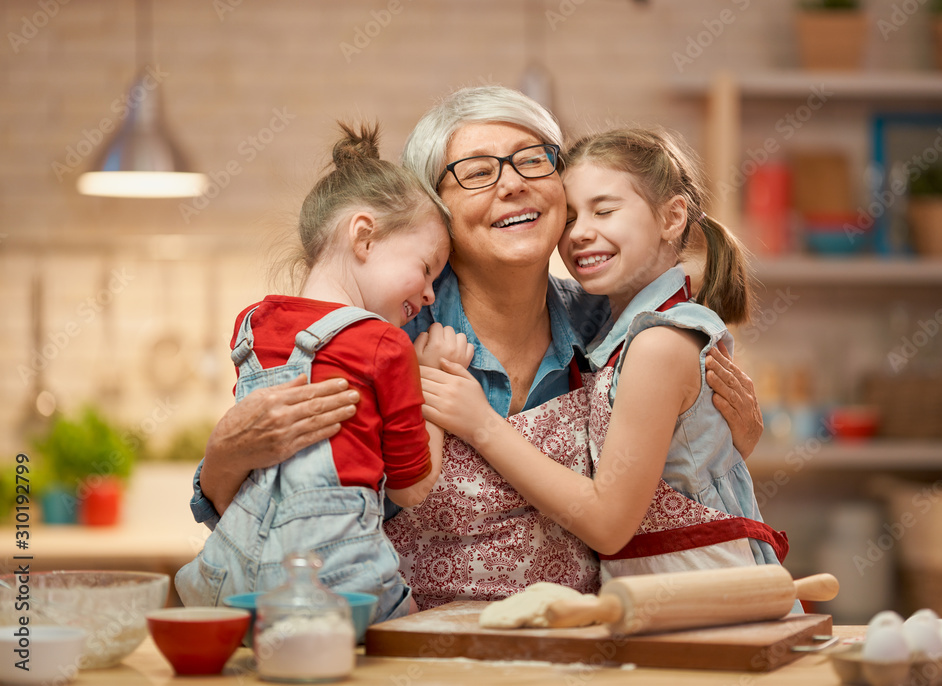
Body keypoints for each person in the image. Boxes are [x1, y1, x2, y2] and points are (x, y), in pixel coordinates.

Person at [190, 86, 766, 610]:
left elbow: (669, 473)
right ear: (436, 211)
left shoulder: (610, 319)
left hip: (575, 646)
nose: (511, 183)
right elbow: (279, 500)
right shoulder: (387, 328)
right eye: (477, 171)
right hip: (412, 649)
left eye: (532, 159)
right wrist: (224, 457)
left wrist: (724, 437)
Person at [420, 127, 788, 581]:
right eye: (570, 218)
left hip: (704, 589)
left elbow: (609, 525)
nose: (580, 234)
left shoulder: (657, 343)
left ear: (672, 219)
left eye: (605, 211)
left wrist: (481, 424)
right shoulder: (615, 332)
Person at [175, 122, 473, 622]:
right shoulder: (386, 346)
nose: (427, 294)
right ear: (364, 236)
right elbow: (410, 488)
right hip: (335, 577)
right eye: (426, 269)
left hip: (234, 578)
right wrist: (430, 380)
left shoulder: (251, 324)